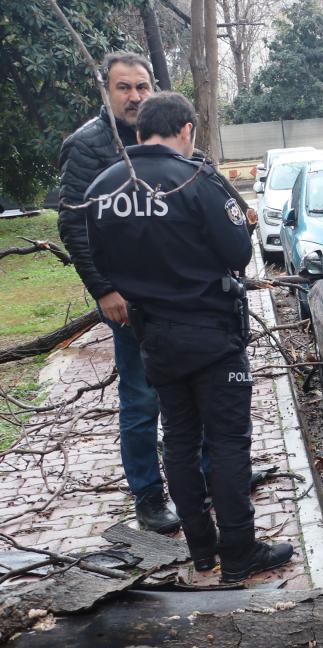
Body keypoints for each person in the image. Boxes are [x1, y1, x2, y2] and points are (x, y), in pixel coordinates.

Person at [84, 92, 293, 583]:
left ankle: (202, 550)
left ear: (139, 133)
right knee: (227, 443)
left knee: (178, 440)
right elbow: (237, 252)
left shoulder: (103, 188)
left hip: (153, 336)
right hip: (212, 333)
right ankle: (239, 551)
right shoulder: (195, 179)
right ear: (185, 130)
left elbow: (99, 258)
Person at [57, 52, 181, 533]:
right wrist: (104, 290)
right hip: (129, 300)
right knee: (140, 397)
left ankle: (205, 476)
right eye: (123, 87)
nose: (134, 97)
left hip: (176, 293)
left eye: (142, 86)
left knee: (190, 389)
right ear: (106, 92)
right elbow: (74, 224)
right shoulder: (87, 145)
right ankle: (148, 496)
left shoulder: (161, 135)